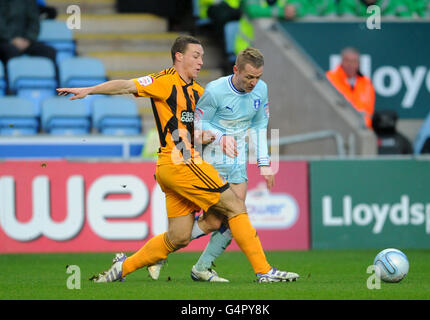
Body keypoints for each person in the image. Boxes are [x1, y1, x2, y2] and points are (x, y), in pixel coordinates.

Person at [57, 35, 298, 283]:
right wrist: (89, 90)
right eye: (196, 56)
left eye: (203, 56)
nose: (201, 61)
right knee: (235, 206)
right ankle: (264, 271)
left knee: (179, 236)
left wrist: (210, 137)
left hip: (172, 166)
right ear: (178, 56)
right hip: (180, 160)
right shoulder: (163, 81)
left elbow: (195, 131)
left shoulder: (197, 92)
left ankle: (122, 268)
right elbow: (126, 85)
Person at [148, 47, 275, 282]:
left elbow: (259, 126)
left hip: (237, 161)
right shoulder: (215, 90)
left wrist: (264, 163)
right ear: (236, 70)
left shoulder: (262, 90)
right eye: (249, 77)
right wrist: (220, 137)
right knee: (229, 215)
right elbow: (198, 123)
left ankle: (199, 267)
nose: (254, 83)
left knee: (224, 220)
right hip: (210, 160)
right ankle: (163, 254)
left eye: (258, 77)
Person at [0, 0, 57, 80]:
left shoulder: (29, 2)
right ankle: (10, 85)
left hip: (26, 41)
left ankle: (56, 86)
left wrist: (28, 39)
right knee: (11, 52)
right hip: (4, 41)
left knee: (50, 52)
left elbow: (34, 22)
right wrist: (11, 39)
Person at [326, 47, 375, 129]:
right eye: (347, 60)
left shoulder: (366, 82)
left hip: (362, 130)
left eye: (354, 61)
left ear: (358, 63)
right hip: (339, 128)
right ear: (341, 62)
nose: (350, 64)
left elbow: (369, 111)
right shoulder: (330, 79)